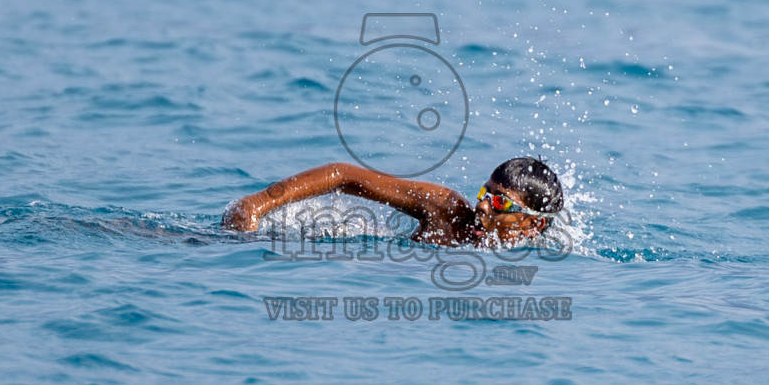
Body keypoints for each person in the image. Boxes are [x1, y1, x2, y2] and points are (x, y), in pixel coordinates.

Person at [223, 157, 564, 247]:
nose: (483, 207)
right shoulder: (447, 211)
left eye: (500, 204)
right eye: (484, 195)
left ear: (534, 223)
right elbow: (344, 174)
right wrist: (255, 204)